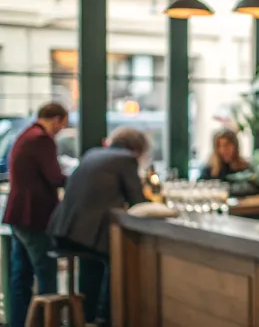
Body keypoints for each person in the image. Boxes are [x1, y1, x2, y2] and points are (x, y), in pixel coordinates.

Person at [47, 126, 150, 326]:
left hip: (64, 230)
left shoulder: (93, 154)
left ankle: (87, 315)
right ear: (137, 148)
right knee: (121, 260)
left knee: (93, 261)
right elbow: (138, 201)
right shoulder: (125, 159)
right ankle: (108, 318)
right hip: (87, 234)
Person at [2, 102, 69, 327]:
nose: (61, 130)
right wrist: (77, 182)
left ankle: (19, 322)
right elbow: (55, 177)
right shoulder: (42, 140)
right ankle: (49, 323)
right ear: (56, 119)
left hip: (17, 215)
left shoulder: (24, 135)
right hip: (34, 216)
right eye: (63, 124)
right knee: (46, 273)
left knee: (20, 275)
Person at [199, 128, 258, 196]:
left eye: (227, 145)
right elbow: (201, 190)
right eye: (219, 146)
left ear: (235, 146)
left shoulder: (245, 167)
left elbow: (255, 189)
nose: (223, 150)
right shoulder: (209, 170)